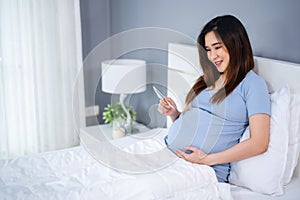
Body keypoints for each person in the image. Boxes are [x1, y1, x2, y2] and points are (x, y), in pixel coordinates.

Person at [158, 15, 271, 183]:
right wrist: (174, 114)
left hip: (203, 170)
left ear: (236, 44)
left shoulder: (252, 84)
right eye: (208, 50)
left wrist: (206, 160)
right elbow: (198, 121)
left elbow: (259, 142)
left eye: (217, 47)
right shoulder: (207, 80)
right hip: (167, 154)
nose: (212, 56)